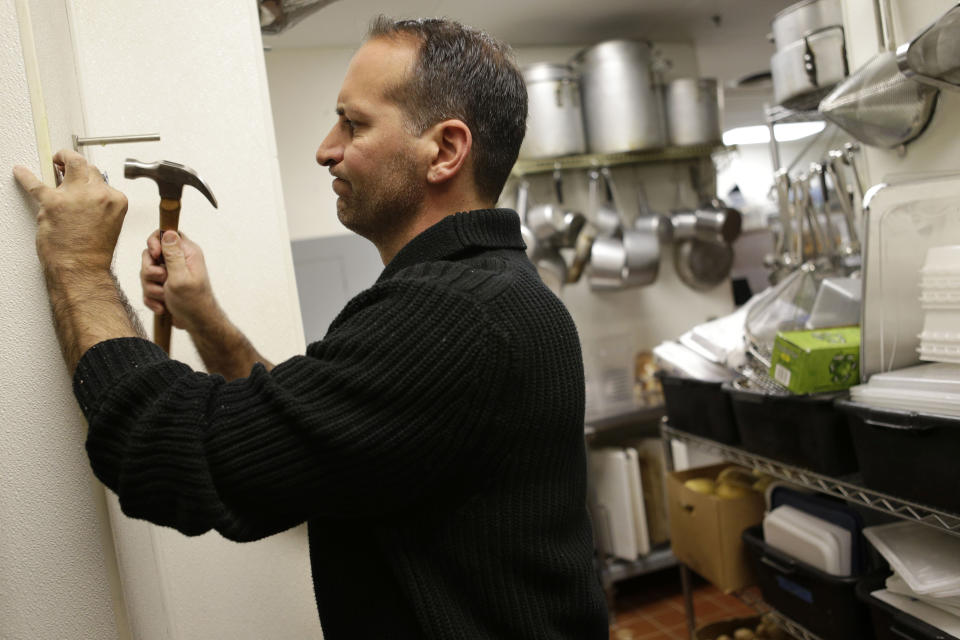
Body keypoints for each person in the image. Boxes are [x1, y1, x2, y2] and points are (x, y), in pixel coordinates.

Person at [14, 16, 608, 639]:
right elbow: (314, 430)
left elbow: (168, 449)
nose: (326, 148)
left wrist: (79, 266)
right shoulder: (489, 292)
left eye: (353, 123)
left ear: (445, 150)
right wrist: (206, 319)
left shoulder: (456, 316)